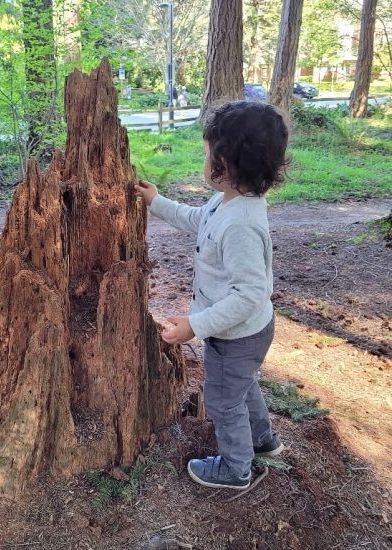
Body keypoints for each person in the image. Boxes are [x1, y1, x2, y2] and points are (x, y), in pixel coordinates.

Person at [134, 101, 288, 491]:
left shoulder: (241, 224)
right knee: (242, 386)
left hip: (237, 335)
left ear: (225, 163)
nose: (204, 161)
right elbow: (196, 219)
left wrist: (195, 326)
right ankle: (262, 439)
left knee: (222, 400)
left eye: (207, 154)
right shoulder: (228, 203)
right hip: (245, 332)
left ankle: (236, 468)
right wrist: (157, 203)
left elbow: (250, 293)